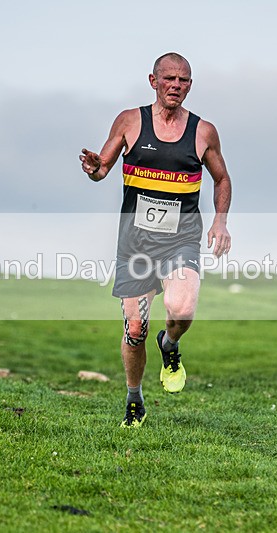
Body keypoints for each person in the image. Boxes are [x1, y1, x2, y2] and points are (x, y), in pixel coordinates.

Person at [79, 53, 232, 427]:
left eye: (183, 80)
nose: (175, 86)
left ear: (190, 86)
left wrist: (221, 222)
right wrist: (95, 169)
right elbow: (103, 168)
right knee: (134, 330)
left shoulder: (203, 132)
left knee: (181, 311)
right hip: (134, 245)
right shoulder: (130, 122)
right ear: (153, 81)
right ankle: (134, 398)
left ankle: (171, 343)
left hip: (180, 240)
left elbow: (222, 179)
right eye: (169, 79)